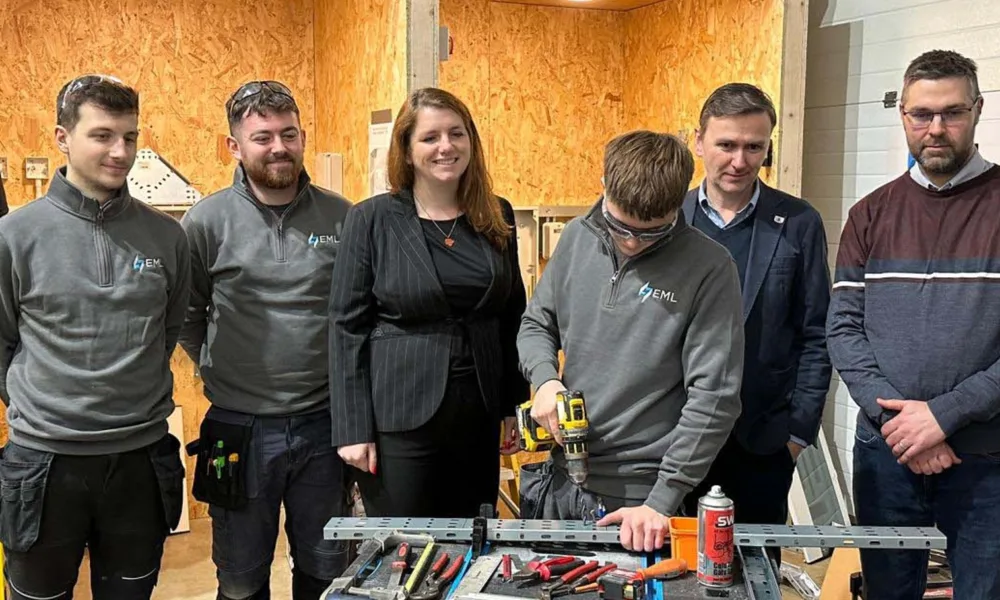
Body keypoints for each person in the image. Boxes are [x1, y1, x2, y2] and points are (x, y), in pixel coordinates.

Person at [0, 74, 190, 599]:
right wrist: (46, 405)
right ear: (62, 137)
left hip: (139, 459)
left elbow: (166, 330)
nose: (120, 151)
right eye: (102, 135)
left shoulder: (168, 237)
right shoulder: (14, 236)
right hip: (44, 464)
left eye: (130, 137)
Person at [517, 130, 745, 552]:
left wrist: (662, 499)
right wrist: (546, 381)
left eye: (651, 234)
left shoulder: (710, 269)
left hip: (640, 501)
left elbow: (714, 397)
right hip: (561, 478)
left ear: (679, 204)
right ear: (603, 185)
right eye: (620, 226)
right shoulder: (576, 238)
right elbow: (537, 322)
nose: (631, 242)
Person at [827, 49, 1000, 600]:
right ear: (902, 114)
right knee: (887, 592)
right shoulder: (869, 215)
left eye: (951, 113)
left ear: (976, 110)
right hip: (886, 454)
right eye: (921, 114)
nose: (936, 128)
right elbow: (843, 331)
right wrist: (903, 430)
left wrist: (943, 417)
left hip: (986, 458)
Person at [178, 80, 352, 600]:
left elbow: (355, 313)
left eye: (288, 133)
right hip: (238, 427)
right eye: (262, 137)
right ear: (234, 146)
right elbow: (187, 313)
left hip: (324, 427)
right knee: (239, 577)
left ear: (301, 136)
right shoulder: (204, 222)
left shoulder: (343, 217)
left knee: (325, 569)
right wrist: (214, 366)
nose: (278, 146)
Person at [329, 87, 529, 518]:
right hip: (399, 415)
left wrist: (513, 405)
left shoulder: (497, 214)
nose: (446, 147)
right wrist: (351, 427)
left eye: (456, 134)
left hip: (478, 409)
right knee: (406, 550)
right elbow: (346, 326)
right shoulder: (371, 219)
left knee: (472, 540)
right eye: (430, 137)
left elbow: (512, 313)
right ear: (405, 148)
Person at [680, 83, 831, 536]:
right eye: (726, 145)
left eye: (754, 147)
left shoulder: (799, 223)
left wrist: (797, 434)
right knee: (676, 569)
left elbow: (817, 332)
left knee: (757, 569)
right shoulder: (669, 218)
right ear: (699, 141)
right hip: (676, 437)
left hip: (763, 441)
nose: (740, 161)